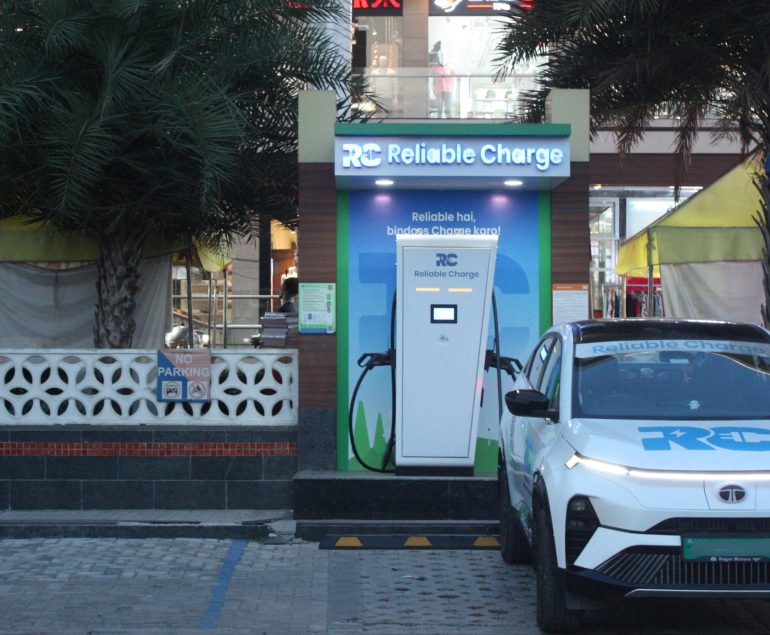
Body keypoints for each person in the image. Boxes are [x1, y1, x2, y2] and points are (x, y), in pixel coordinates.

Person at [429, 41, 453, 118]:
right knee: (439, 109)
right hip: (438, 90)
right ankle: (439, 121)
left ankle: (450, 122)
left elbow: (454, 77)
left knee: (448, 108)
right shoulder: (434, 68)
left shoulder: (450, 68)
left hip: (448, 90)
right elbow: (430, 77)